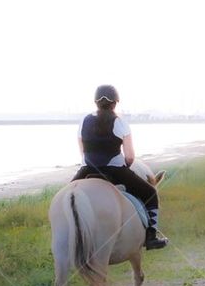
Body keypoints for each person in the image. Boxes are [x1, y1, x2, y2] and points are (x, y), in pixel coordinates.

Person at [71, 85, 169, 249]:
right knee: (150, 193)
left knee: (66, 197)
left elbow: (82, 151)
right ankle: (151, 235)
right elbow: (129, 156)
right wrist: (125, 166)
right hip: (115, 172)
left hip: (87, 170)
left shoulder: (84, 120)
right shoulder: (120, 122)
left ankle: (66, 236)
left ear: (96, 102)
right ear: (115, 103)